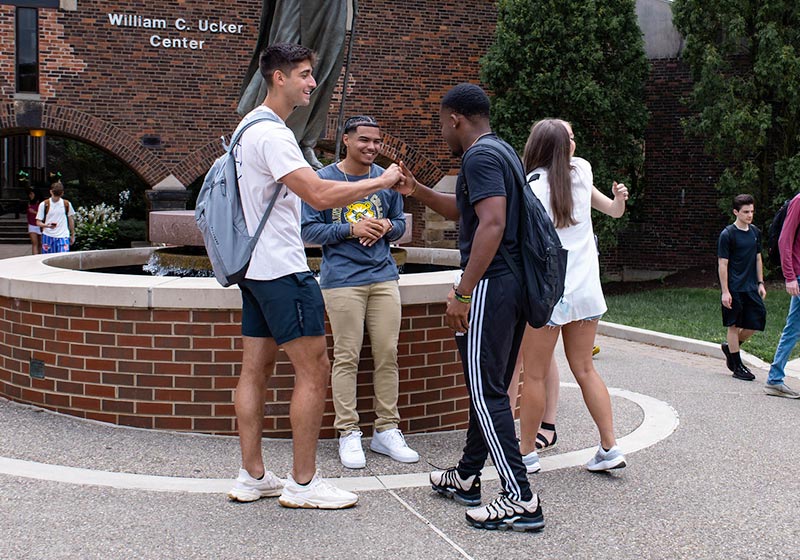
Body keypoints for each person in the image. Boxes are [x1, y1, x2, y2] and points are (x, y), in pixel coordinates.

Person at [225, 43, 402, 510]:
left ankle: (252, 476)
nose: (311, 83)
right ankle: (303, 484)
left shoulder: (244, 129)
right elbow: (320, 195)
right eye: (304, 74)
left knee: (254, 371)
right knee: (315, 369)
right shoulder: (273, 134)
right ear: (279, 78)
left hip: (253, 270)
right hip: (283, 269)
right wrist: (380, 183)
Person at [396, 84, 544, 532]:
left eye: (442, 123)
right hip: (514, 284)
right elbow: (469, 212)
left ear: (456, 119)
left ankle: (520, 498)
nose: (442, 132)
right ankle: (465, 476)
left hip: (493, 285)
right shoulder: (501, 152)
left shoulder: (479, 157)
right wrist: (417, 189)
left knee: (485, 392)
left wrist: (463, 291)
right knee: (491, 386)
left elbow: (493, 223)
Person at [301, 115, 419, 469]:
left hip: (383, 277)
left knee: (387, 354)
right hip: (342, 281)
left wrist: (384, 225)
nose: (371, 147)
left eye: (377, 141)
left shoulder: (387, 179)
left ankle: (386, 430)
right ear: (347, 140)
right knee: (347, 358)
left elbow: (401, 224)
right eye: (364, 140)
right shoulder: (324, 179)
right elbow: (308, 230)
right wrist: (352, 229)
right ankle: (348, 433)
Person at [515, 119, 628, 475]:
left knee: (533, 376)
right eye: (571, 139)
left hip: (549, 293)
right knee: (585, 368)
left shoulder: (531, 186)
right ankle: (609, 446)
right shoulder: (582, 171)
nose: (575, 144)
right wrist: (620, 200)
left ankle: (527, 453)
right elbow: (610, 209)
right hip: (585, 291)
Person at [717, 194, 766, 381]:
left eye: (752, 211)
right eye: (746, 212)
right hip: (734, 287)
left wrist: (760, 283)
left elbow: (757, 258)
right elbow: (722, 263)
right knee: (733, 324)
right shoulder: (727, 234)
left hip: (751, 286)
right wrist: (725, 291)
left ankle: (730, 347)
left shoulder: (755, 232)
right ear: (736, 212)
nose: (750, 215)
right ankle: (737, 365)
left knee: (756, 322)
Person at [764, 193, 800, 398]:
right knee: (793, 328)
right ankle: (774, 379)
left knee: (793, 328)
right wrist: (790, 277)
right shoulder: (799, 201)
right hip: (799, 274)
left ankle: (774, 380)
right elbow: (784, 239)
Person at [35, 181, 75, 254]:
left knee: (63, 258)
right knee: (48, 258)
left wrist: (72, 234)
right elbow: (38, 222)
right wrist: (47, 225)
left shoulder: (66, 204)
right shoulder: (44, 204)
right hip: (48, 235)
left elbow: (71, 219)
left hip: (63, 235)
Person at [26, 189, 42, 255]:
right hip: (32, 224)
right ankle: (34, 258)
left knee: (41, 243)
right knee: (35, 243)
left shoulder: (41, 204)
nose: (30, 196)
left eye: (32, 194)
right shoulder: (29, 203)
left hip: (40, 224)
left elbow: (43, 214)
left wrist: (34, 212)